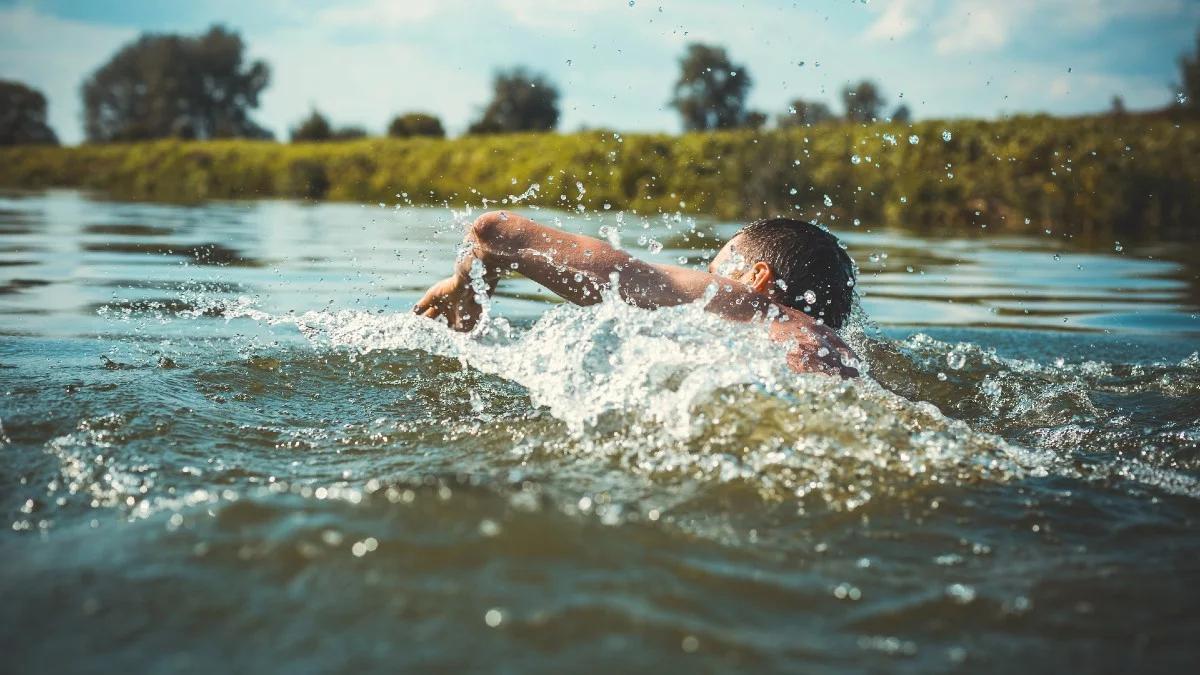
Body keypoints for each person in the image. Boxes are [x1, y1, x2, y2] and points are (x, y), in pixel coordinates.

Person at [414, 211, 859, 377]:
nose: (709, 280)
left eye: (715, 272)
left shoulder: (743, 301)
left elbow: (497, 232)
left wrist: (463, 290)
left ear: (756, 279)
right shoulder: (840, 352)